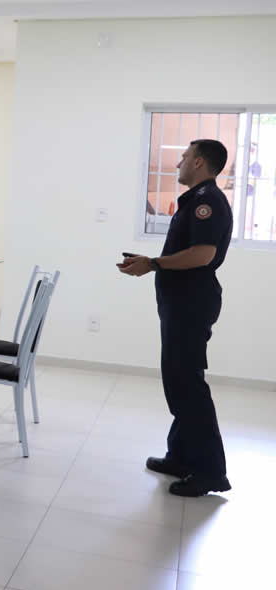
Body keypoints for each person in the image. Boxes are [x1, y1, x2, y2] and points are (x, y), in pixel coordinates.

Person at [119, 139, 233, 497]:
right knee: (178, 382)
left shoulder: (207, 203)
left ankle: (209, 472)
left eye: (184, 157)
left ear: (199, 163)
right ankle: (181, 457)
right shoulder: (196, 200)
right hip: (181, 302)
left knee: (188, 386)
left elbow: (202, 254)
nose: (178, 163)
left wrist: (153, 263)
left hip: (191, 303)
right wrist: (152, 262)